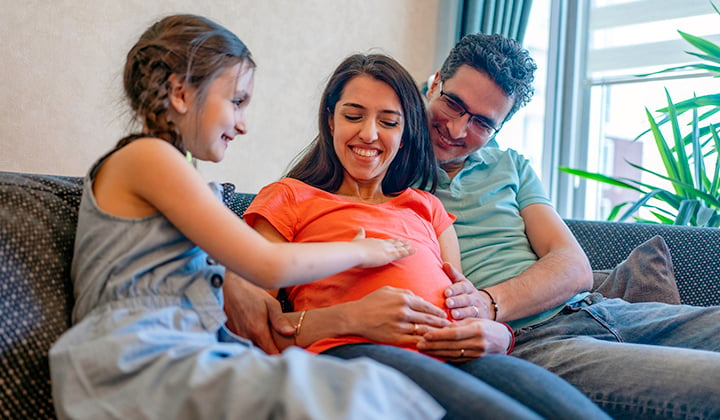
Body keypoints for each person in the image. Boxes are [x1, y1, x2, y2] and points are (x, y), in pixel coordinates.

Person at [226, 33, 720, 419]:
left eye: (483, 122)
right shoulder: (316, 189)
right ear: (433, 83)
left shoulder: (443, 195)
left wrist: (491, 315)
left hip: (568, 318)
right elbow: (253, 305)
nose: (459, 130)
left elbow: (567, 267)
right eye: (454, 105)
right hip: (518, 343)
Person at [47, 14, 451, 420]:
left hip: (190, 347)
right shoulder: (148, 158)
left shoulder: (175, 170)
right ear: (180, 94)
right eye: (237, 101)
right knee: (350, 390)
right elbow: (268, 264)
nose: (243, 124)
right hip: (137, 358)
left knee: (359, 386)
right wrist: (361, 250)